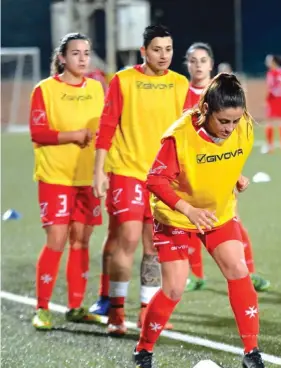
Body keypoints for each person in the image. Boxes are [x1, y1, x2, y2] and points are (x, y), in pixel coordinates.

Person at [133, 73, 269, 368]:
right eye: (224, 121)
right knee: (175, 287)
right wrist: (188, 209)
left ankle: (251, 351)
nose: (230, 128)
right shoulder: (179, 136)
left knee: (238, 269)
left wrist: (234, 176)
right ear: (205, 109)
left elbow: (226, 156)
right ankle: (144, 349)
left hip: (217, 214)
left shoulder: (243, 124)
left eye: (235, 121)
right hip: (177, 217)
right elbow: (154, 180)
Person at [90, 25, 191, 336]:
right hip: (127, 172)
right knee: (129, 238)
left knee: (152, 246)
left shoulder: (180, 83)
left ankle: (147, 309)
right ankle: (116, 311)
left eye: (169, 49)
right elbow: (106, 127)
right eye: (157, 49)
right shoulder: (123, 80)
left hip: (161, 178)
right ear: (143, 51)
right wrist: (98, 171)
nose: (164, 55)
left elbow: (186, 134)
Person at [29, 32, 105, 330]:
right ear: (62, 58)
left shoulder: (98, 89)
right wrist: (74, 136)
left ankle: (75, 306)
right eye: (76, 53)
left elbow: (107, 130)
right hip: (55, 177)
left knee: (82, 241)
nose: (82, 58)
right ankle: (43, 308)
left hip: (88, 179)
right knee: (57, 240)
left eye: (86, 52)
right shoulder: (45, 90)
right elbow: (38, 133)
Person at [183, 42, 270, 292]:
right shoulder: (181, 95)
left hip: (221, 171)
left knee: (232, 222)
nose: (198, 66)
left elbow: (236, 133)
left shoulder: (224, 93)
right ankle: (195, 276)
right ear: (187, 65)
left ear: (211, 64)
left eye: (203, 60)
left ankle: (249, 273)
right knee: (191, 224)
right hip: (191, 173)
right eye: (193, 61)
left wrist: (235, 171)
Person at [264, 54, 281, 153]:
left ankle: (270, 146)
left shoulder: (272, 73)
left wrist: (266, 101)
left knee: (269, 122)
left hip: (274, 99)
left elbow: (270, 87)